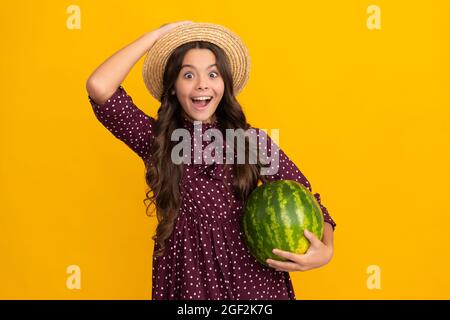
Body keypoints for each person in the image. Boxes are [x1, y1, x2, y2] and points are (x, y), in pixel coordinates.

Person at [86, 21, 336, 300]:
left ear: (224, 84)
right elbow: (99, 86)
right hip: (190, 280)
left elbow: (307, 198)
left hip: (253, 283)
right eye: (188, 75)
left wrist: (325, 251)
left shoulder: (250, 141)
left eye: (213, 74)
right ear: (172, 87)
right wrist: (155, 37)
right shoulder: (157, 140)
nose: (202, 84)